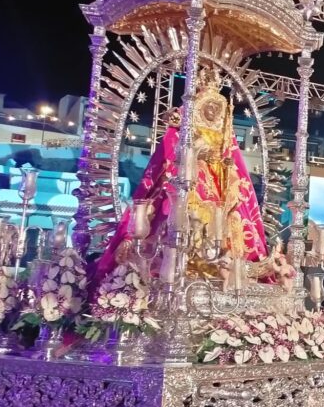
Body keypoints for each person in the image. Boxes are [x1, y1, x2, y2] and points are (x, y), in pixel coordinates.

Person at [95, 67, 268, 283]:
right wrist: (191, 148)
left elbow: (229, 152)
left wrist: (223, 166)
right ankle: (169, 266)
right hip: (187, 173)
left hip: (215, 178)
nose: (212, 112)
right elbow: (173, 146)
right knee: (175, 212)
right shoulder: (186, 113)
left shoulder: (224, 118)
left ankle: (217, 265)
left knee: (222, 218)